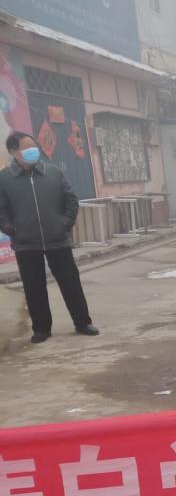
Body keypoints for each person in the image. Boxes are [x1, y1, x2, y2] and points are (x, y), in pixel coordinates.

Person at [0, 132, 99, 343]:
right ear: (13, 152)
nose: (33, 150)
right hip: (26, 243)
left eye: (33, 145)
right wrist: (14, 230)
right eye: (27, 147)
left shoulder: (53, 173)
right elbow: (1, 211)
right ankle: (41, 329)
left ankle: (83, 322)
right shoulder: (4, 179)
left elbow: (70, 200)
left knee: (71, 282)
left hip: (57, 240)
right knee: (33, 287)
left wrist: (64, 224)